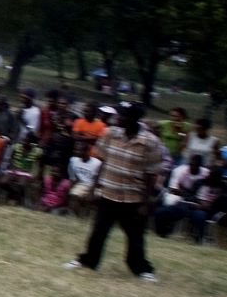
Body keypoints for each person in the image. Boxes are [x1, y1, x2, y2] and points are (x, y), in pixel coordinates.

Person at [67, 101, 162, 280]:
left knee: (135, 237)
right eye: (119, 115)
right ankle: (88, 261)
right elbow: (102, 162)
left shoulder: (149, 142)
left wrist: (145, 202)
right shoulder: (110, 134)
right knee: (98, 232)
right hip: (108, 193)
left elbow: (151, 175)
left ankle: (142, 269)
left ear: (135, 119)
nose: (118, 118)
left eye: (123, 116)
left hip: (132, 198)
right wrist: (93, 189)